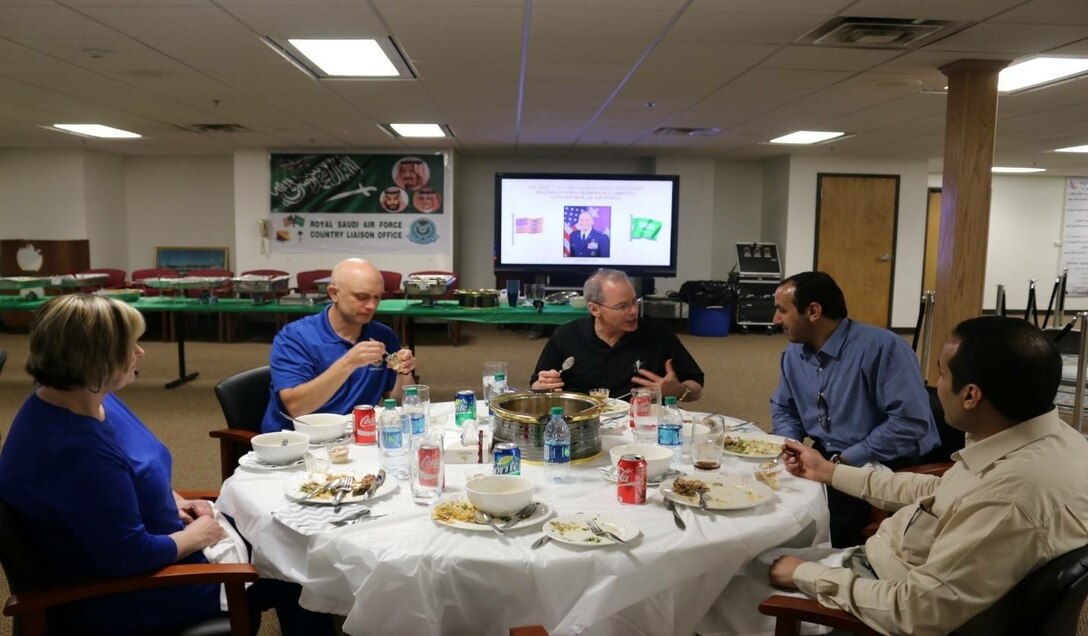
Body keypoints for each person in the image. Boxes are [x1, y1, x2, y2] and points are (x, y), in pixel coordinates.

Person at [0, 295, 335, 635]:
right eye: (130, 345)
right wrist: (196, 535)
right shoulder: (75, 450)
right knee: (295, 575)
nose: (141, 352)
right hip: (136, 593)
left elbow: (128, 477)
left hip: (157, 547)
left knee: (279, 541)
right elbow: (129, 556)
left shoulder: (84, 400)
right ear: (94, 360)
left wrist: (174, 500)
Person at [762, 316, 1088, 635]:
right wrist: (828, 471)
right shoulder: (1053, 440)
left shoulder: (1009, 501)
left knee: (738, 580)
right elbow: (944, 489)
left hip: (884, 594)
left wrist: (807, 574)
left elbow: (915, 613)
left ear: (971, 395)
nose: (934, 386)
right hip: (897, 567)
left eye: (940, 374)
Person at [769, 271, 939, 547]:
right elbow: (784, 407)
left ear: (813, 311)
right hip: (829, 456)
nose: (775, 320)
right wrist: (790, 446)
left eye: (781, 310)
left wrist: (843, 462)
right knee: (774, 502)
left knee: (822, 529)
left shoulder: (883, 348)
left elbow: (910, 422)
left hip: (888, 462)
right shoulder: (793, 356)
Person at [261, 257, 416, 432]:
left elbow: (395, 403)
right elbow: (297, 408)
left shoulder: (383, 336)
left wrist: (404, 372)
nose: (371, 306)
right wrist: (348, 363)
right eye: (361, 297)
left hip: (353, 436)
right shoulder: (295, 337)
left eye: (377, 297)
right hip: (298, 440)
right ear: (334, 293)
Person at [531, 268, 703, 401]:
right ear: (594, 309)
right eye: (622, 306)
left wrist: (678, 391)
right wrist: (542, 385)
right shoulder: (566, 336)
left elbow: (696, 388)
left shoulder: (659, 335)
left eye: (635, 302)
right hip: (582, 422)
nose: (633, 311)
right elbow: (536, 385)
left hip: (641, 424)